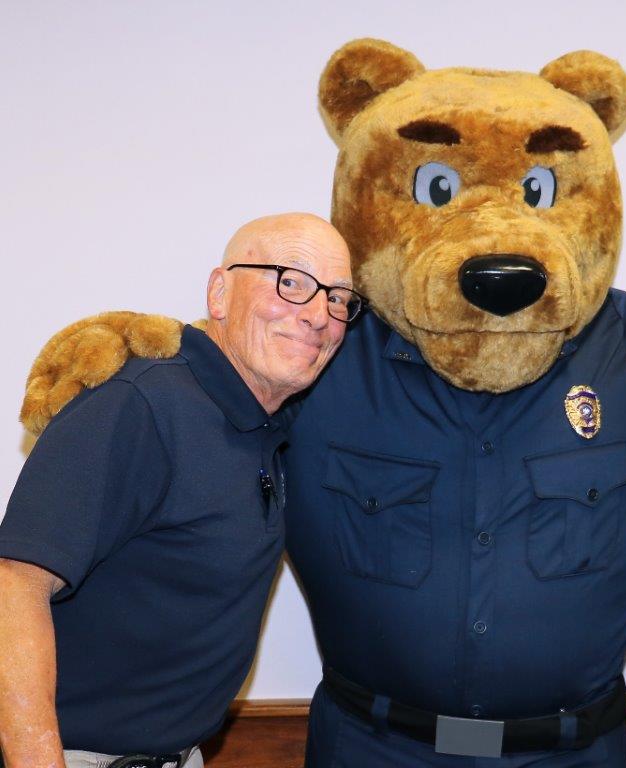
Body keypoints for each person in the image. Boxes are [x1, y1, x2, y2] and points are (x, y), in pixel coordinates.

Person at [0, 213, 359, 768]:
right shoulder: (138, 404)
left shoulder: (266, 423)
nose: (317, 315)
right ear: (220, 292)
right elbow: (13, 586)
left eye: (339, 298)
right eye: (289, 281)